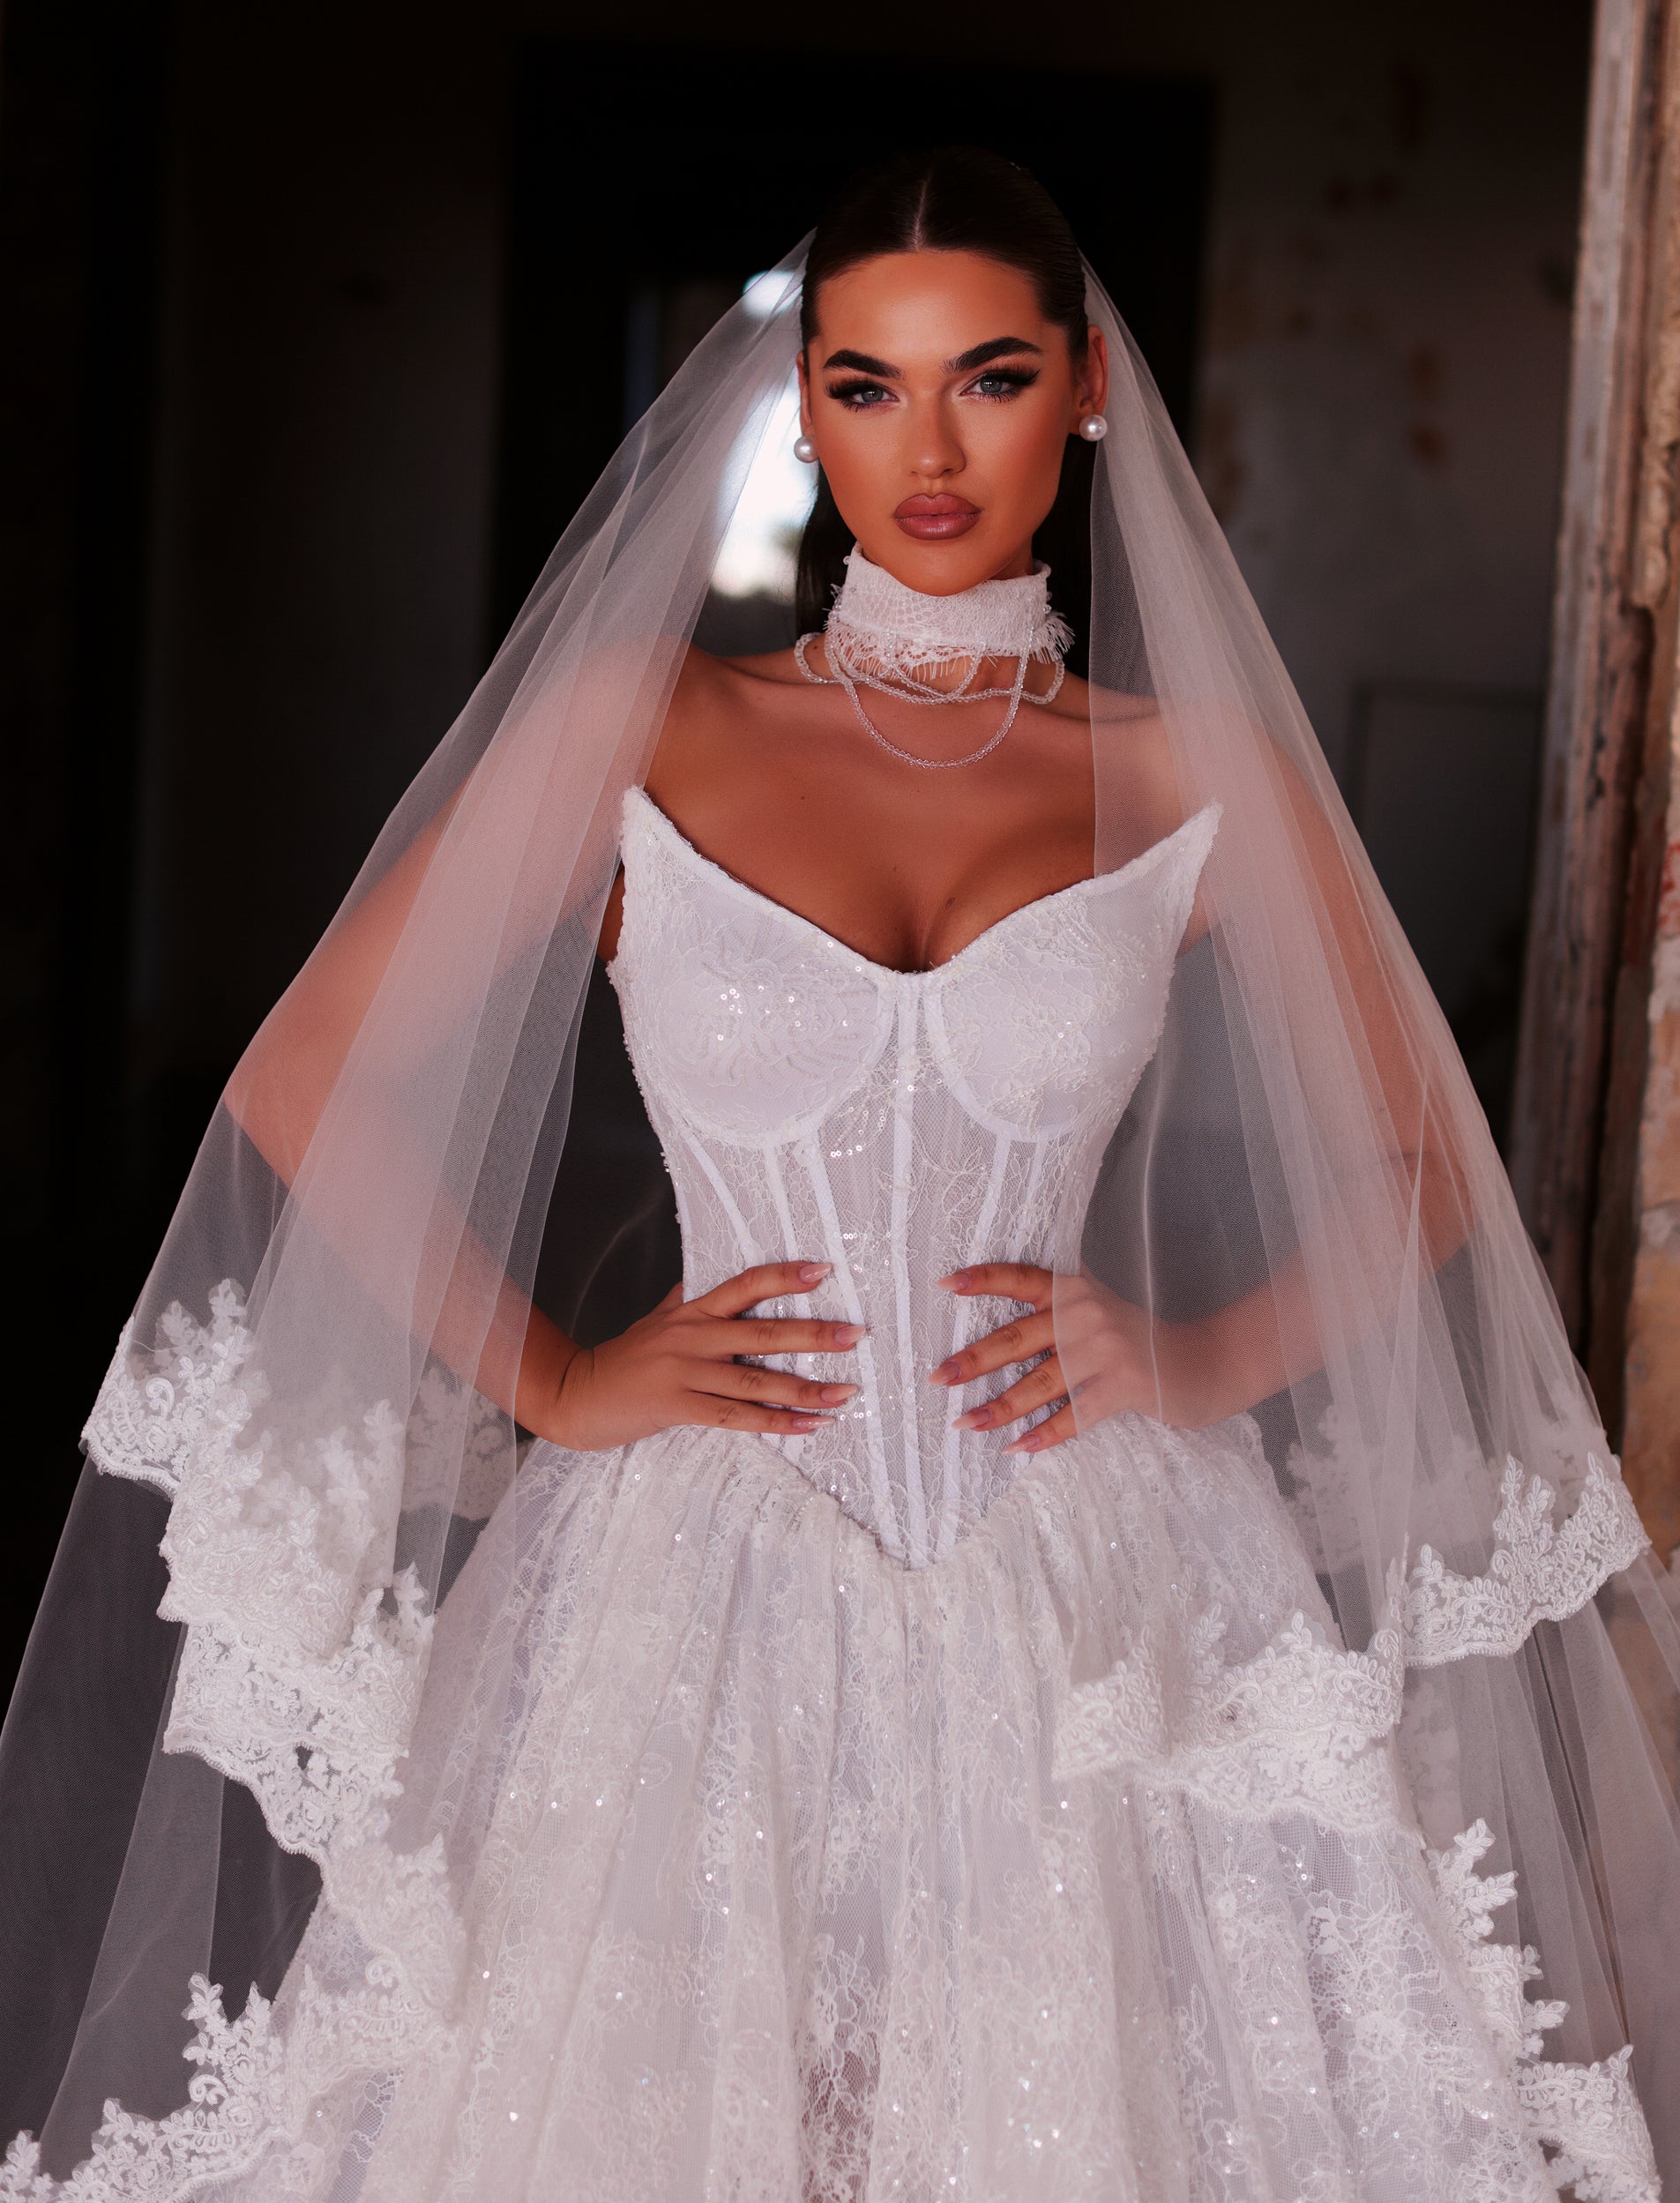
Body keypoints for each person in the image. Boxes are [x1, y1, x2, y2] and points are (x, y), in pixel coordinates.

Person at [3, 147, 1677, 2201]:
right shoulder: (651, 722)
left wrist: (1202, 1354)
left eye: (984, 377)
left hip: (1093, 1580)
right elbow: (300, 1074)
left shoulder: (1181, 770)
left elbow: (1423, 1152)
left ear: (1082, 393)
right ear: (802, 411)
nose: (927, 446)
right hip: (685, 1574)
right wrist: (546, 1375)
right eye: (865, 387)